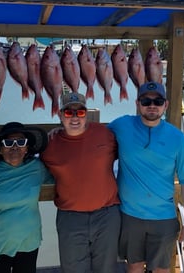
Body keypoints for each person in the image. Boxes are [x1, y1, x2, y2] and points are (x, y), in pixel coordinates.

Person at [108, 81, 184, 273]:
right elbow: (93, 136)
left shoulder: (177, 138)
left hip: (163, 217)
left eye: (158, 101)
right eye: (146, 101)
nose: (152, 105)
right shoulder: (121, 125)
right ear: (137, 104)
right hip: (129, 216)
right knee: (134, 266)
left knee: (162, 269)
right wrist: (58, 132)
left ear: (166, 104)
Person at [41, 92, 120, 273]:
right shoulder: (50, 143)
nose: (75, 117)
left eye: (80, 113)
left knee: (107, 269)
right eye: (69, 113)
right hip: (70, 218)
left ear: (87, 115)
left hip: (107, 215)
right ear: (60, 116)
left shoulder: (105, 134)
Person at [0, 122, 53, 273]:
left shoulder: (37, 168)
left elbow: (63, 176)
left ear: (27, 148)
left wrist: (60, 133)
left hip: (29, 243)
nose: (15, 146)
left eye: (21, 142)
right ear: (0, 149)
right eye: (8, 143)